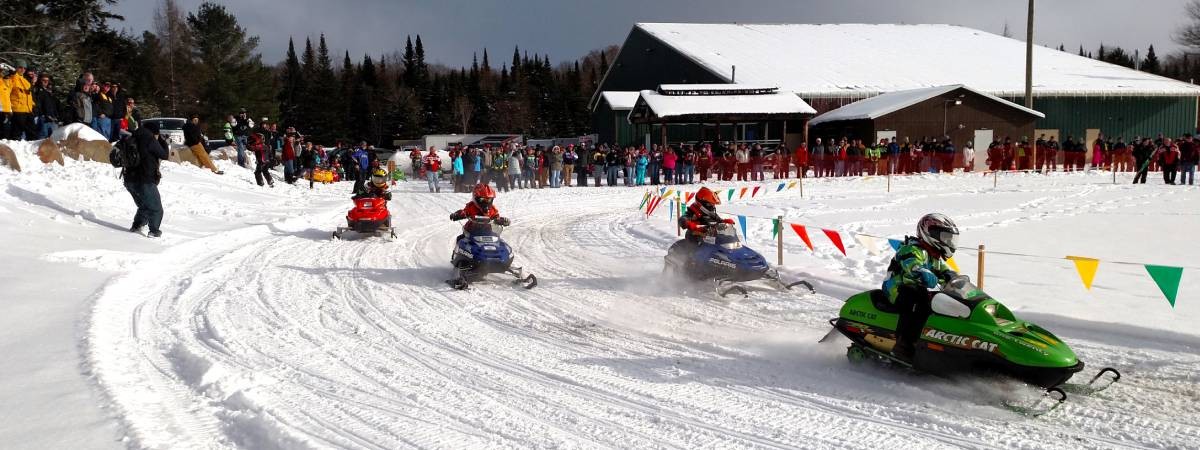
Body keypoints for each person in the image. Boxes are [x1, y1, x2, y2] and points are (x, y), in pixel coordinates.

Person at [884, 213, 961, 362]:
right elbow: (911, 263)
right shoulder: (910, 249)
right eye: (945, 238)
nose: (948, 242)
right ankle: (903, 345)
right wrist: (920, 270)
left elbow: (942, 269)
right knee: (917, 303)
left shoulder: (933, 254)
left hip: (916, 287)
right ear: (930, 234)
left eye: (950, 239)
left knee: (940, 304)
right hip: (896, 289)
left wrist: (951, 275)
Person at [123, 122, 169, 237]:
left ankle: (136, 226)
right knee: (155, 208)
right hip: (145, 180)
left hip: (129, 179)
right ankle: (154, 231)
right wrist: (162, 141)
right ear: (155, 132)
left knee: (144, 206)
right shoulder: (149, 139)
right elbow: (164, 155)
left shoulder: (132, 136)